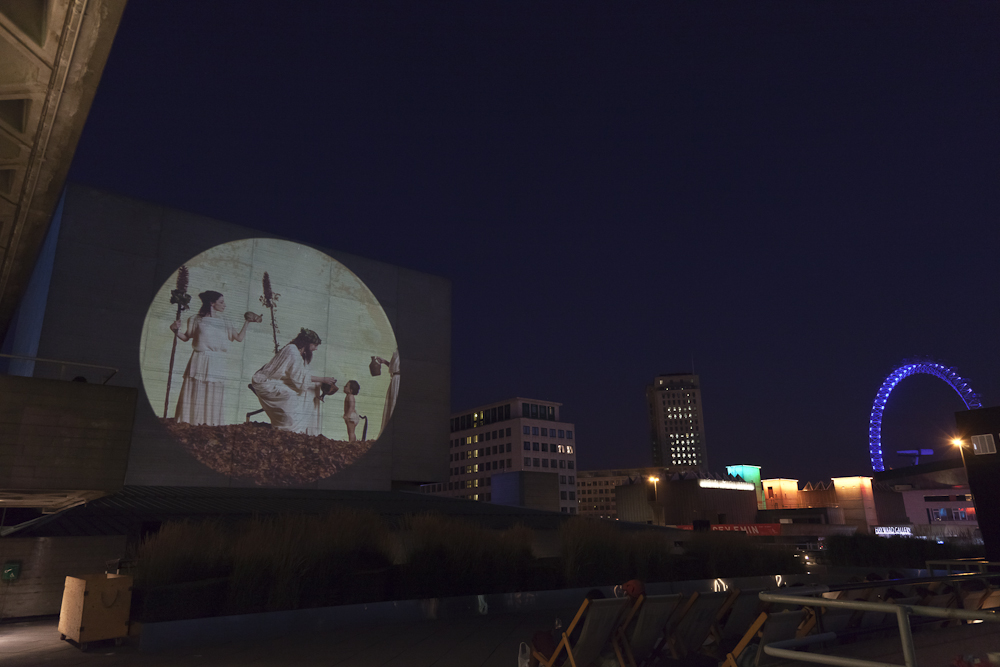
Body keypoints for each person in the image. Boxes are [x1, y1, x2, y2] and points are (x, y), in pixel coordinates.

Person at [170, 291, 252, 425]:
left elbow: (239, 338)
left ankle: (210, 424)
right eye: (221, 302)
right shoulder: (196, 319)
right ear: (211, 303)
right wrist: (175, 330)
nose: (224, 305)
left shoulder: (225, 320)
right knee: (196, 392)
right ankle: (190, 423)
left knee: (214, 394)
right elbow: (186, 337)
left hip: (217, 362)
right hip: (199, 359)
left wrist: (247, 322)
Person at [250, 328, 337, 435]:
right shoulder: (292, 351)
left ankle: (304, 429)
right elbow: (299, 377)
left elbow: (300, 376)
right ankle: (288, 428)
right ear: (307, 343)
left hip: (276, 380)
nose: (316, 349)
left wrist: (321, 382)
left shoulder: (298, 352)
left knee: (309, 392)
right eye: (315, 345)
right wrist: (322, 379)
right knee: (290, 395)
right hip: (266, 382)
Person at [373, 349, 400, 434]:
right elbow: (395, 368)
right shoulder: (396, 352)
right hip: (395, 380)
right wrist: (384, 362)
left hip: (399, 380)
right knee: (390, 406)